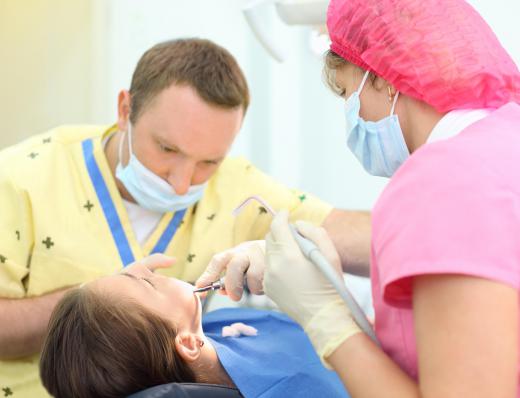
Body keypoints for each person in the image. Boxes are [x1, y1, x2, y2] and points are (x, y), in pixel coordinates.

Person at [0, 38, 372, 396]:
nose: (182, 185)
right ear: (125, 109)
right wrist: (100, 303)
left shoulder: (236, 185)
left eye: (208, 162)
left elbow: (358, 235)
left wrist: (298, 248)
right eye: (167, 148)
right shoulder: (21, 179)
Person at [200, 0, 520, 397]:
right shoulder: (505, 138)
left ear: (384, 79)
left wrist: (327, 321)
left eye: (349, 94)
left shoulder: (441, 179)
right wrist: (313, 261)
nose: (353, 115)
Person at [39, 257, 349, 398]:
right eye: (145, 282)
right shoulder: (294, 386)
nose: (141, 266)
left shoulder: (201, 334)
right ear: (187, 344)